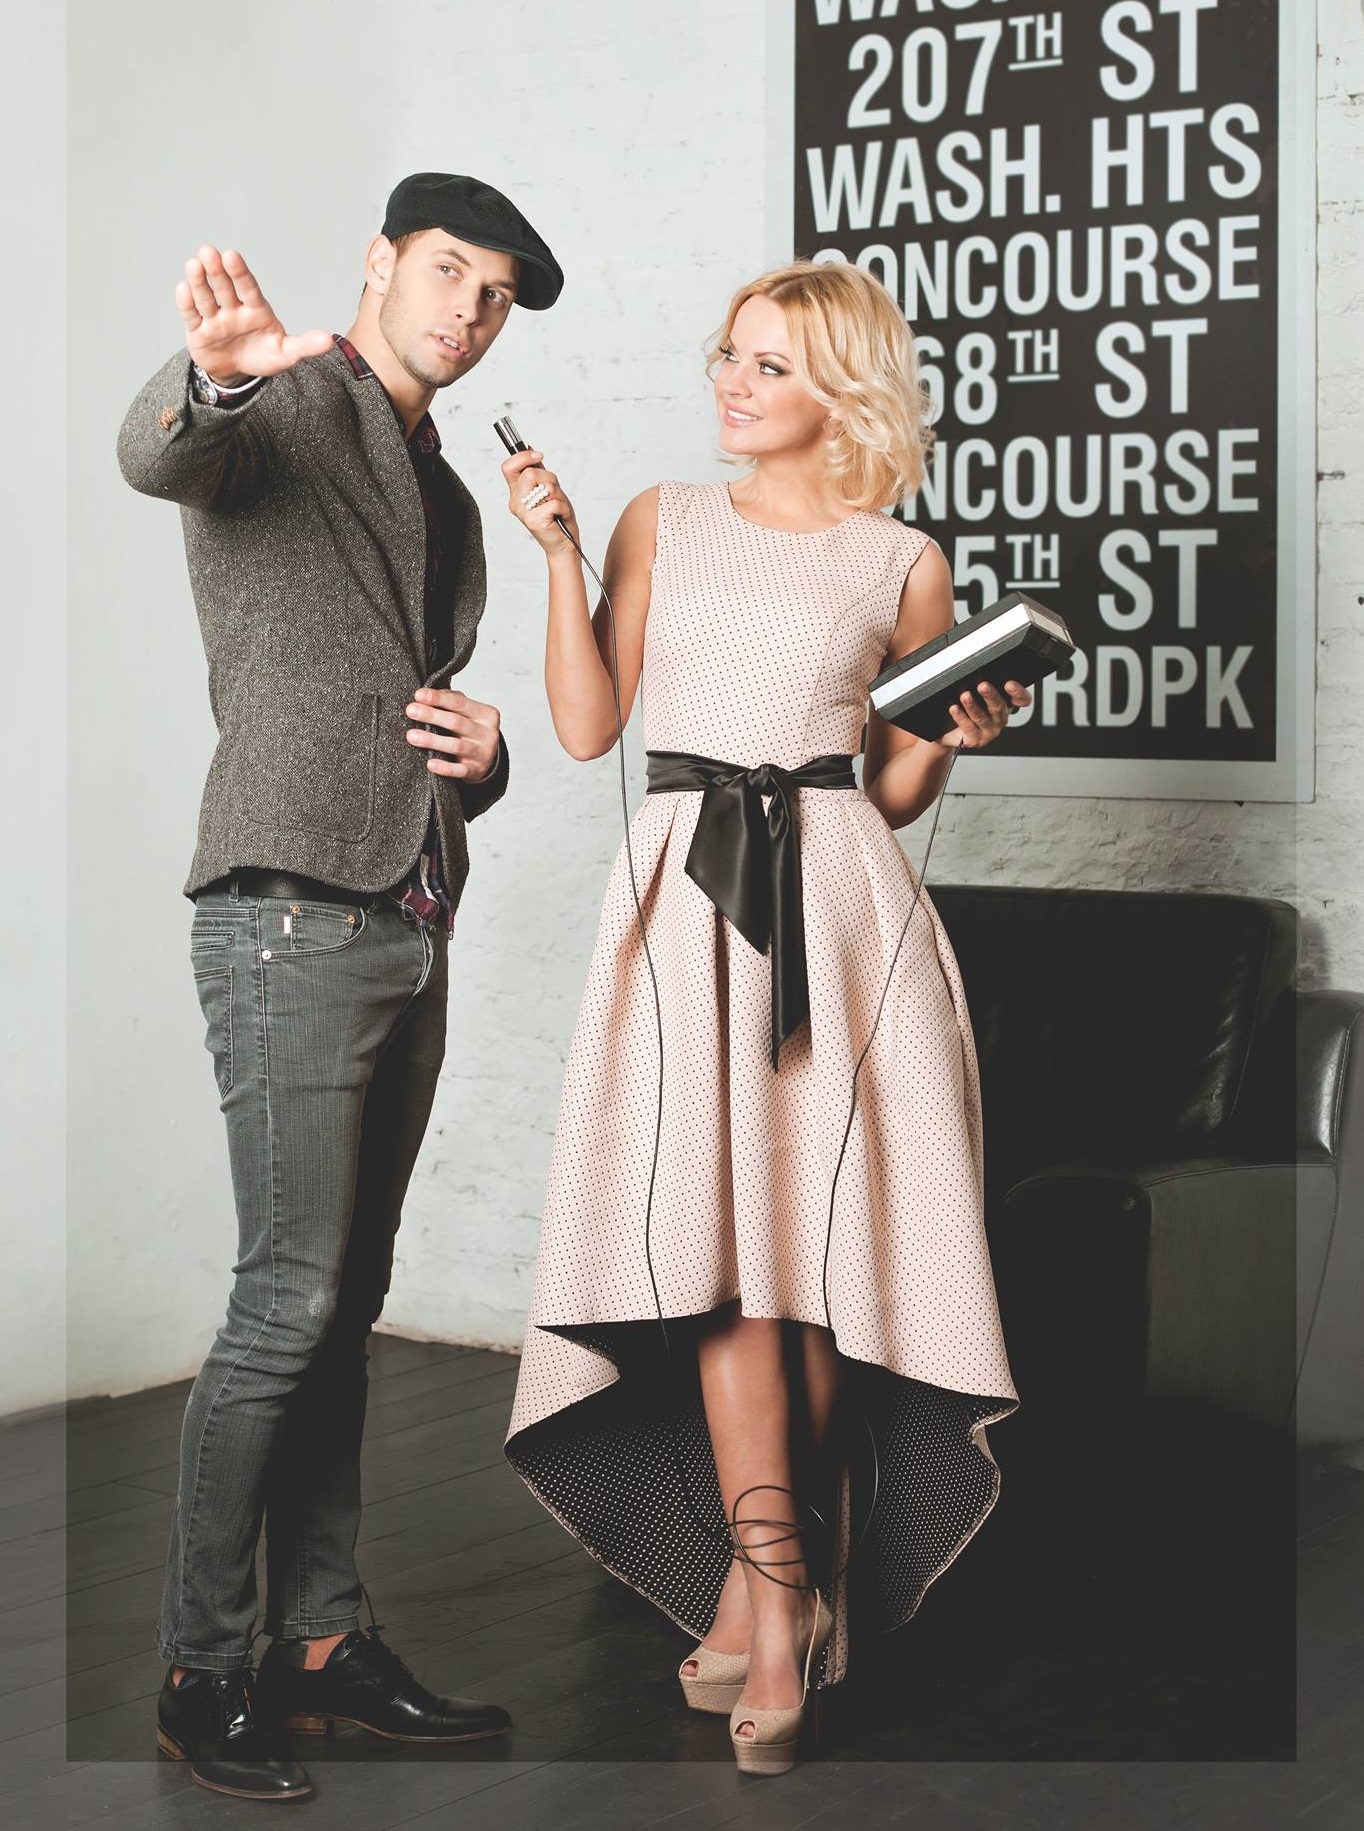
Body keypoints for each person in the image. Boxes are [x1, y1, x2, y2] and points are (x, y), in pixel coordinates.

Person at [502, 260, 1025, 1777]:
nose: (732, 383)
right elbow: (589, 726)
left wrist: (959, 733)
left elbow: (891, 784)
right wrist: (559, 556)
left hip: (844, 913)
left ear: (843, 392)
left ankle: (770, 1592)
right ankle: (785, 1599)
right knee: (725, 1261)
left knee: (811, 1267)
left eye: (772, 364)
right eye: (729, 354)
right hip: (687, 902)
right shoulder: (662, 519)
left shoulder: (903, 561)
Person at [116, 173, 563, 1803]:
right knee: (284, 1303)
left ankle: (318, 1639)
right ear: (382, 262)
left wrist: (486, 759)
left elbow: (409, 701)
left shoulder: (449, 493)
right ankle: (202, 1666)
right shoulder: (288, 406)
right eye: (448, 271)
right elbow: (161, 453)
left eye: (494, 294)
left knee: (343, 1304)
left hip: (406, 910)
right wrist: (215, 374)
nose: (468, 309)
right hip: (287, 909)